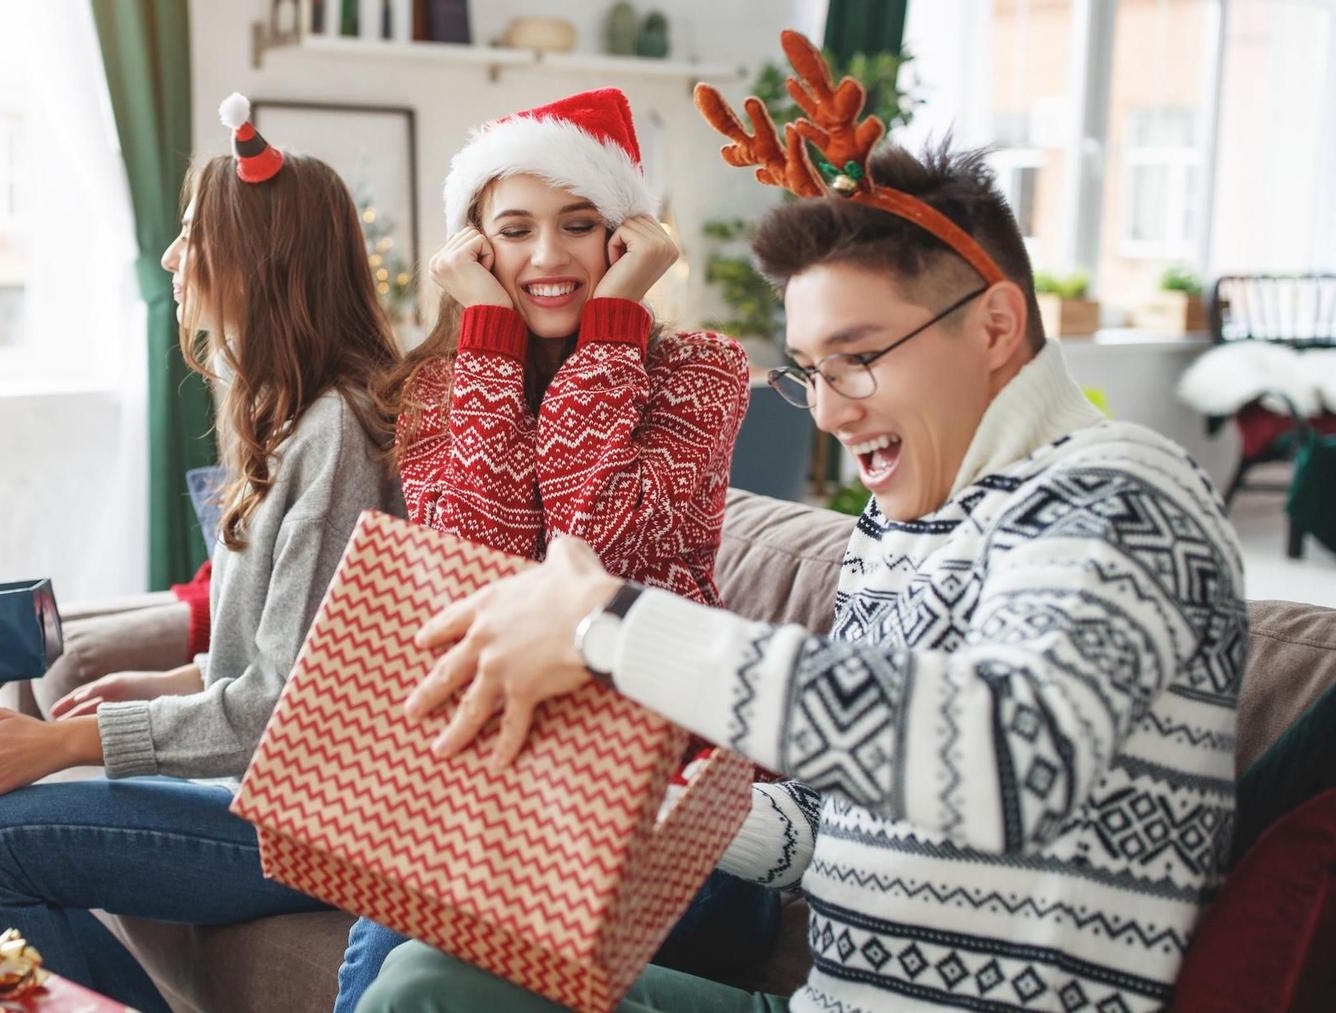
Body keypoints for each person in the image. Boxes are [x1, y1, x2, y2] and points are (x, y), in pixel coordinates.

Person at [362, 32, 1246, 1012]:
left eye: (857, 357)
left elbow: (1005, 757)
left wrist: (607, 622)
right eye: (809, 370)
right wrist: (650, 814)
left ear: (994, 327)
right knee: (425, 979)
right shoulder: (897, 530)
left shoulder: (1114, 493)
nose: (822, 411)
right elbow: (830, 818)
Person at [0, 96, 405, 1013]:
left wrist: (68, 739)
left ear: (260, 259)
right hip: (264, 797)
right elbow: (266, 655)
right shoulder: (281, 414)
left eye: (194, 236)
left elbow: (280, 716)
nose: (175, 258)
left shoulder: (336, 433)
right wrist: (168, 681)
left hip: (321, 828)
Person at [337, 87, 768, 1012]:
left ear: (627, 239)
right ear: (475, 248)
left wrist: (611, 328)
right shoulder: (434, 390)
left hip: (657, 805)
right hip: (494, 784)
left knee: (407, 949)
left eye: (580, 225)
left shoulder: (702, 371)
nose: (546, 257)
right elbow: (476, 571)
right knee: (391, 936)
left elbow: (599, 554)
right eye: (516, 229)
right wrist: (487, 347)